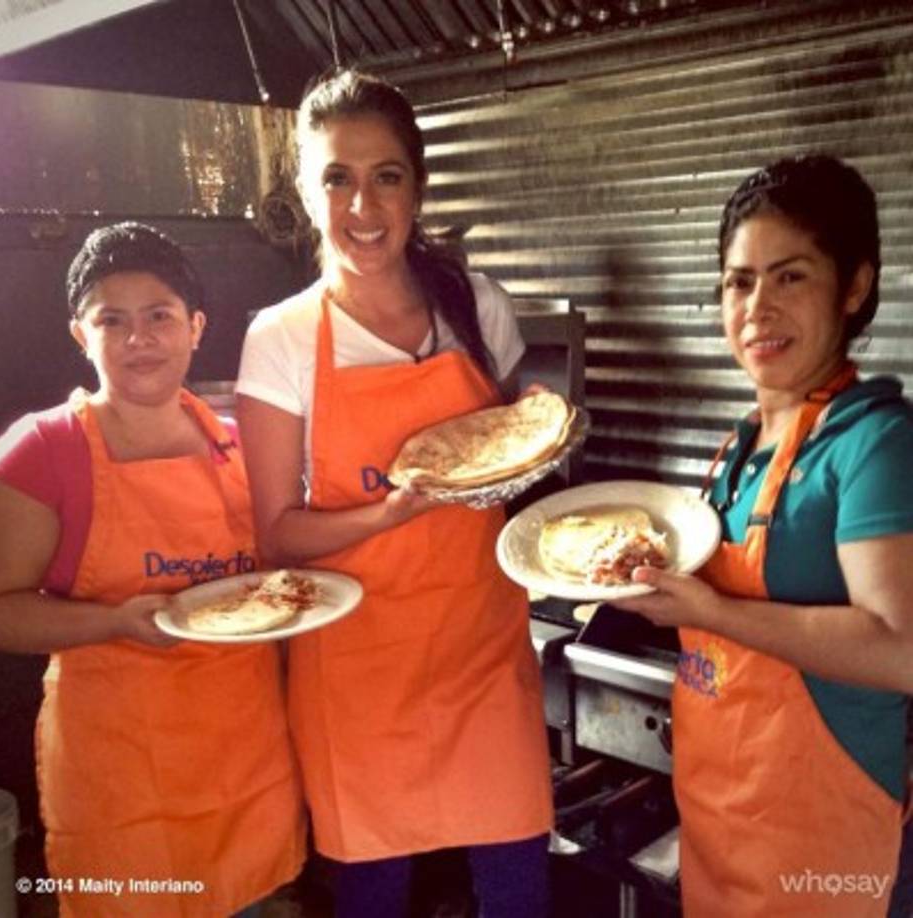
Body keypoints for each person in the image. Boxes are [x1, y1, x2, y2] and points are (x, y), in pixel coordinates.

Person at [236, 70, 553, 918]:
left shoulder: (477, 307)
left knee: (519, 890)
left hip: (482, 649)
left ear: (418, 186)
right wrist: (391, 510)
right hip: (358, 673)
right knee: (374, 896)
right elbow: (277, 533)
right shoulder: (283, 338)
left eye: (386, 175)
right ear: (307, 192)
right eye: (336, 177)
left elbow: (514, 460)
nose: (362, 204)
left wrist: (547, 440)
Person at [615, 154, 913, 917]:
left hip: (818, 847)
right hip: (721, 824)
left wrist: (708, 612)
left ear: (854, 286)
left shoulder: (874, 442)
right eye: (739, 282)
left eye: (790, 277)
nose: (757, 307)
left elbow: (900, 648)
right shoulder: (738, 447)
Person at [0, 223, 305, 917]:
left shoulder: (236, 446)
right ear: (81, 333)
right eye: (113, 320)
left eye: (159, 316)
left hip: (245, 766)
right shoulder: (41, 451)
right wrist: (114, 621)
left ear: (196, 326)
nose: (139, 339)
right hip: (126, 788)